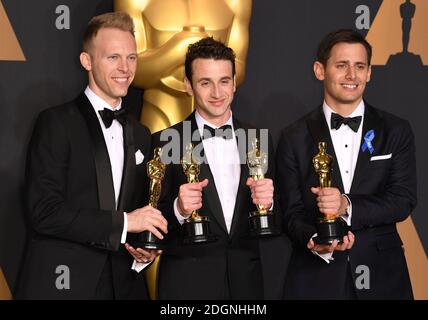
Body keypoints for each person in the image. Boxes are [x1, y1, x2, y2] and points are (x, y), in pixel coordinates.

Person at [17, 12, 168, 299]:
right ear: (87, 61)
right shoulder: (56, 123)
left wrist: (141, 247)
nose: (125, 68)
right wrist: (125, 223)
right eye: (113, 57)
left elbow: (136, 214)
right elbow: (44, 212)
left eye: (132, 57)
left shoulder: (141, 134)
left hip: (123, 287)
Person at [129, 37, 277, 299]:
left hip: (247, 285)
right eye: (205, 83)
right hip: (187, 288)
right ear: (188, 85)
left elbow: (282, 215)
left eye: (224, 81)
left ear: (234, 82)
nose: (217, 93)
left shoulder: (258, 139)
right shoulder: (167, 141)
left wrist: (271, 203)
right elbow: (147, 218)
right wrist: (179, 209)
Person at [276, 29, 416, 299]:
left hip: (383, 277)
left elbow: (403, 199)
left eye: (359, 66)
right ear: (320, 70)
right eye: (342, 66)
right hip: (315, 278)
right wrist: (317, 242)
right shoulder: (293, 136)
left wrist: (346, 205)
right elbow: (290, 213)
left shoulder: (396, 130)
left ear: (369, 73)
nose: (352, 76)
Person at [115, 0, 252, 133]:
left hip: (216, 118)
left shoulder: (236, 2)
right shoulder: (135, 2)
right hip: (161, 111)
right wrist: (181, 46)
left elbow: (238, 70)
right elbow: (133, 71)